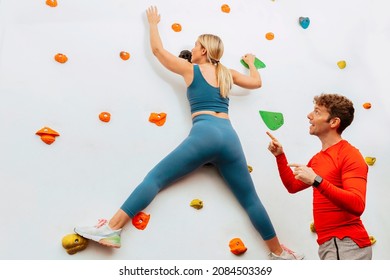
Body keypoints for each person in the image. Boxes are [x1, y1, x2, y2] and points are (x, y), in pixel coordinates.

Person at [74, 6, 303, 260]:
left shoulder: (191, 70)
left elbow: (158, 52)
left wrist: (152, 24)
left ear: (203, 50)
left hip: (204, 134)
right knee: (250, 199)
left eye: (195, 45)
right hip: (229, 137)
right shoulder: (227, 73)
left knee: (156, 179)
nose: (192, 49)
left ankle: (112, 228)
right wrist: (250, 63)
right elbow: (256, 82)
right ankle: (279, 252)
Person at [266, 93, 372, 260]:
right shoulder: (318, 159)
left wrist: (316, 180)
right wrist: (280, 156)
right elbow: (292, 187)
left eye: (317, 112)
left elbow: (357, 204)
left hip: (346, 243)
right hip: (330, 245)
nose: (309, 116)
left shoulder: (350, 155)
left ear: (333, 122)